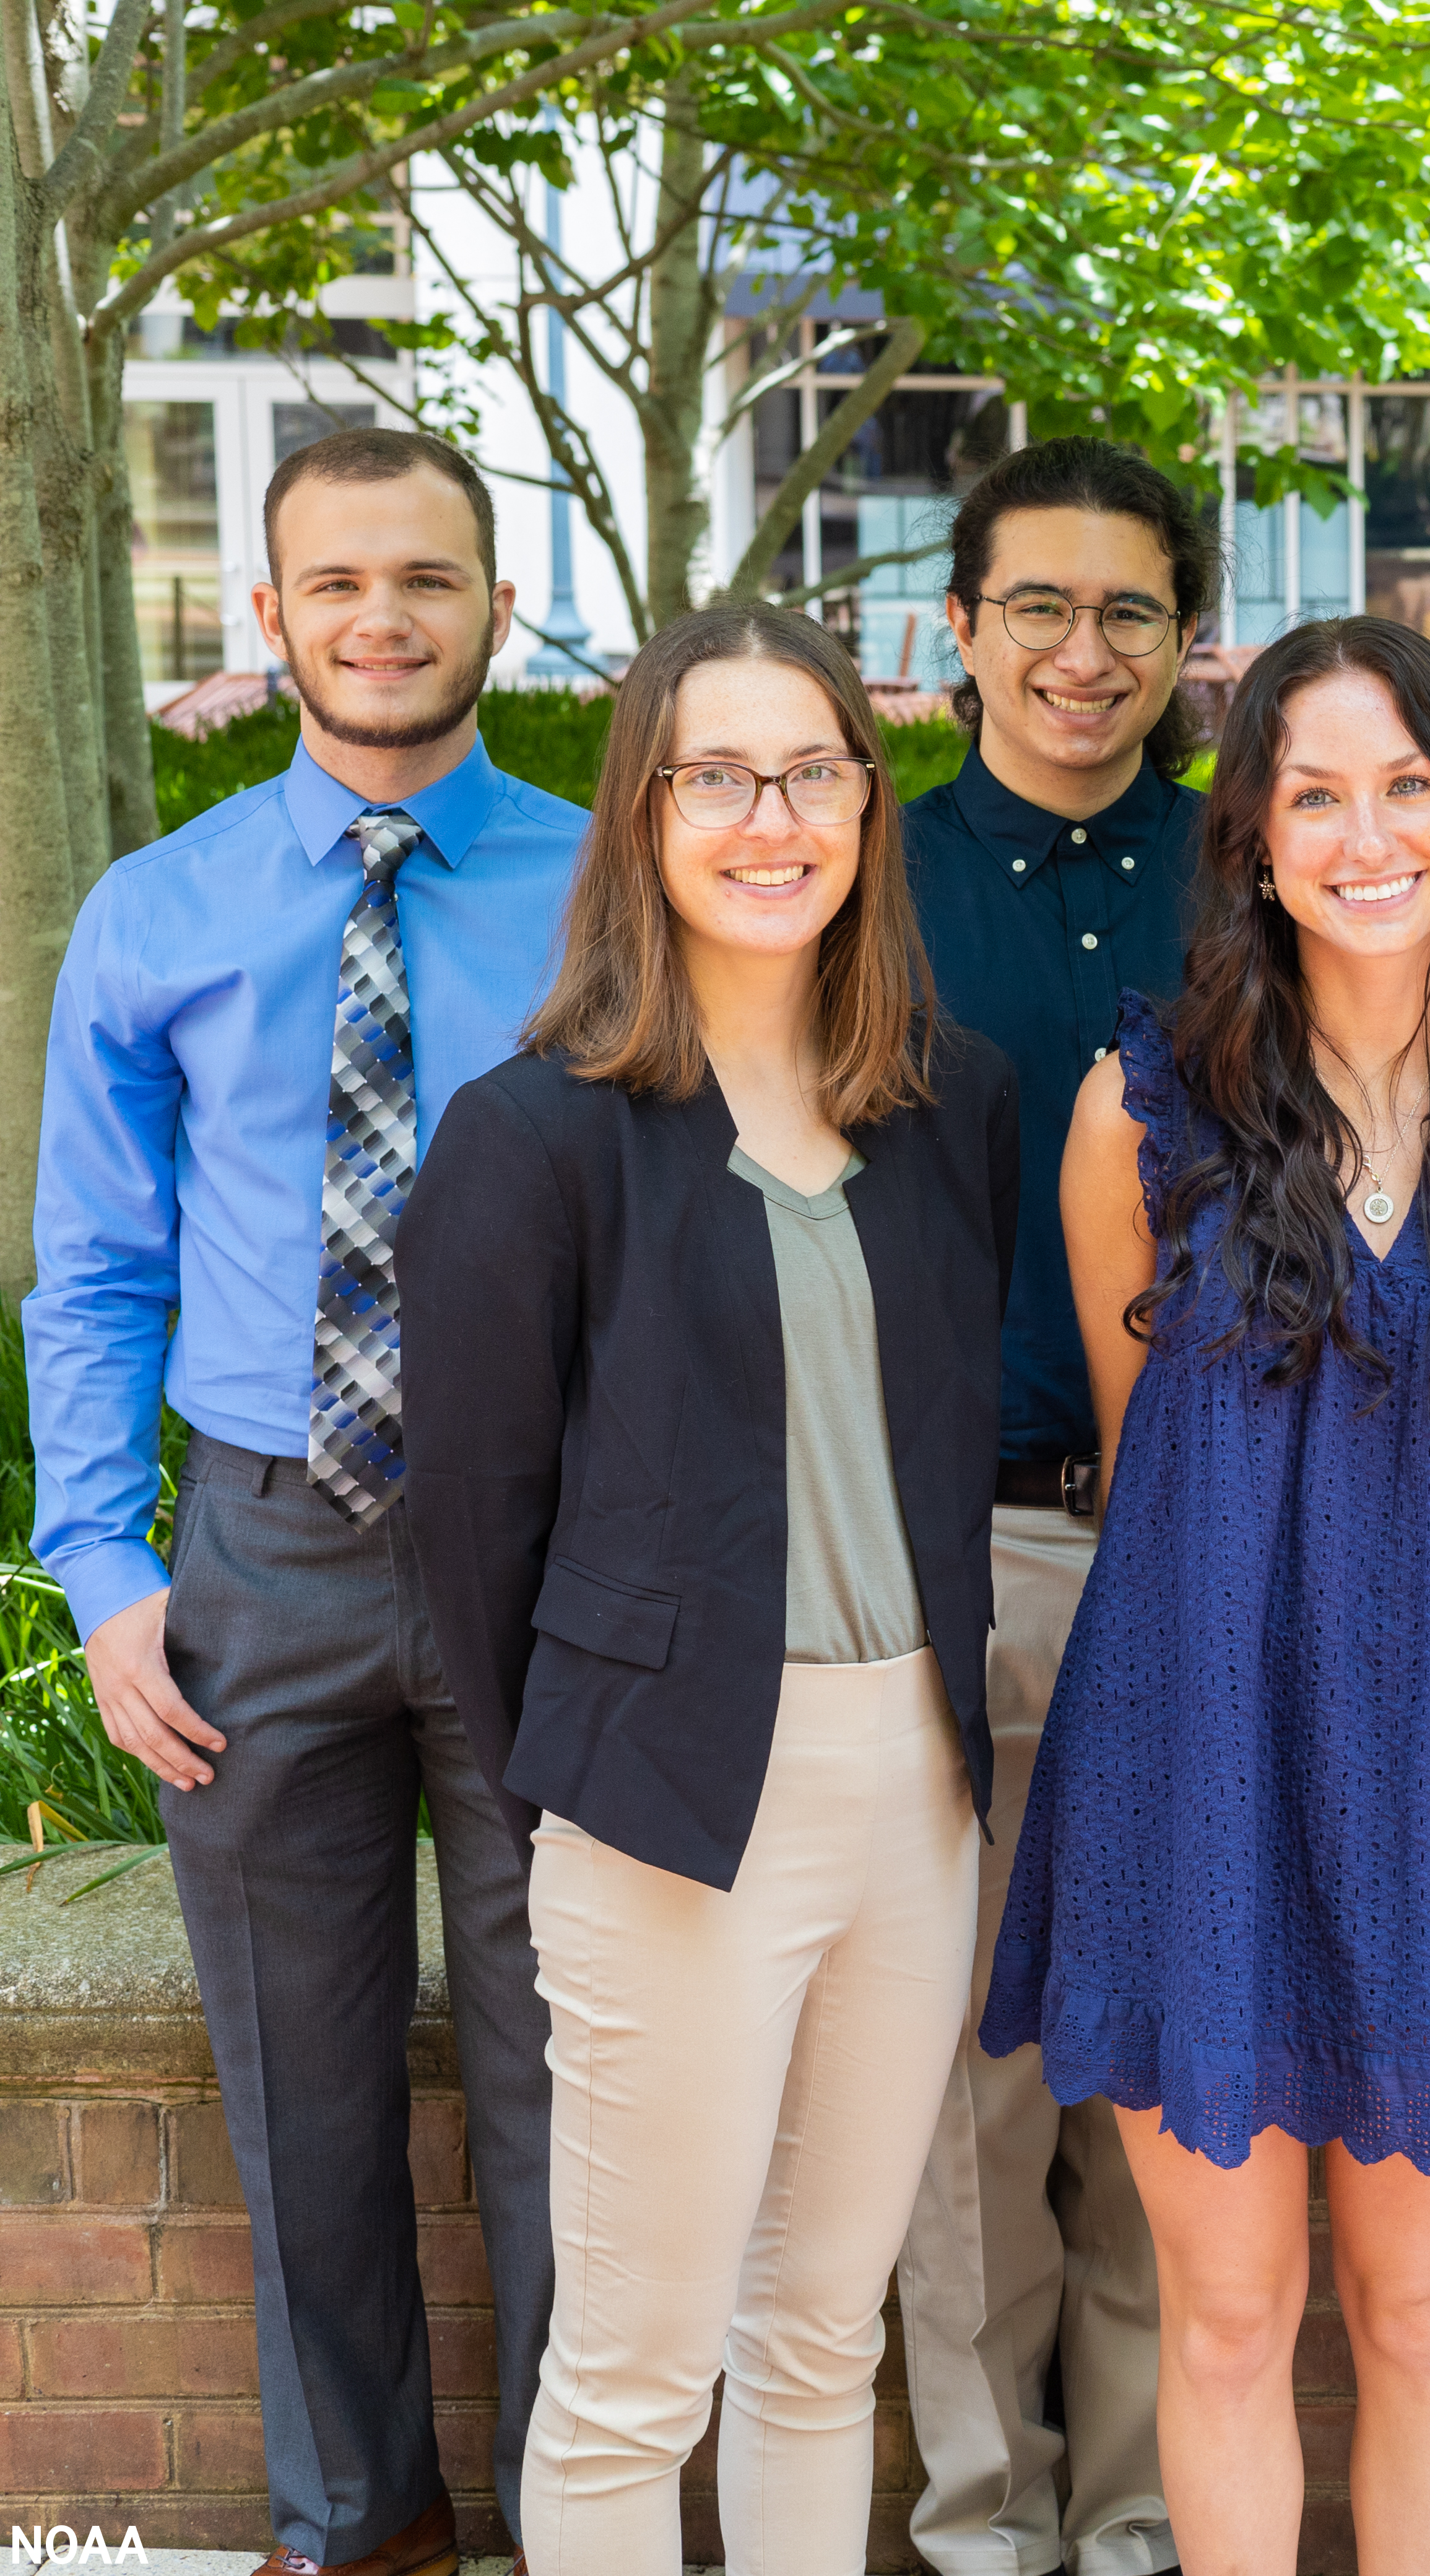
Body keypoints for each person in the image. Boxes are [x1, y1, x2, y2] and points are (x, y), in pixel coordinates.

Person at [977, 614, 1430, 2576]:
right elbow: (1153, 1460)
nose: (1369, 836)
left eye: (1410, 788)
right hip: (1204, 1755)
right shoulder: (1149, 1102)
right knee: (1232, 2310)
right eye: (1316, 795)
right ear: (1253, 839)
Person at [398, 601, 1017, 2573]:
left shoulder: (953, 1111)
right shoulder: (531, 1142)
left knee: (823, 2337)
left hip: (911, 1788)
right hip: (667, 1801)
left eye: (816, 770)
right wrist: (576, 1786)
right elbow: (469, 1532)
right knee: (635, 2377)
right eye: (720, 774)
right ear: (646, 812)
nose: (775, 816)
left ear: (866, 803)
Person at [26, 426, 573, 2576]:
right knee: (306, 2095)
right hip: (263, 1552)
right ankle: (352, 2529)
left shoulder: (596, 880)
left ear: (493, 611)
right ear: (269, 618)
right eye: (336, 582)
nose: (382, 617)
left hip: (541, 1546)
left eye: (426, 579)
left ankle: (574, 2521)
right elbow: (96, 1272)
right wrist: (104, 1568)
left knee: (569, 2096)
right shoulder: (160, 913)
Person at [896, 435, 1211, 2576]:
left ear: (1188, 642)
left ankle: (1145, 2518)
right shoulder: (861, 879)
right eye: (1040, 608)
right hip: (974, 1540)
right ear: (960, 631)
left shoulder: (1267, 870)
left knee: (1176, 2081)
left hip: (1218, 1552)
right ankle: (985, 2522)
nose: (1083, 654)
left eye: (1128, 613)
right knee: (981, 2091)